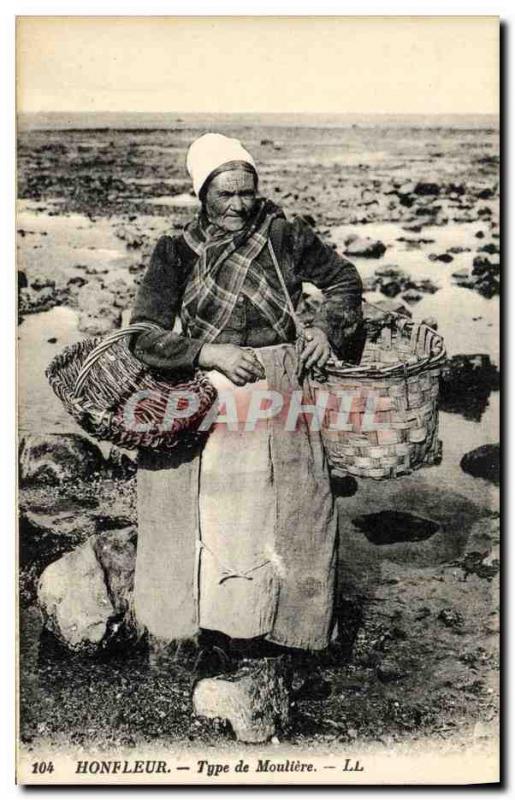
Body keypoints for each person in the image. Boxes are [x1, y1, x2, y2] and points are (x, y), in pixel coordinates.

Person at [129, 132, 363, 676]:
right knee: (220, 514)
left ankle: (287, 634)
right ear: (201, 193)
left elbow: (343, 280)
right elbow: (143, 333)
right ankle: (215, 634)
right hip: (214, 393)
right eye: (224, 194)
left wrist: (326, 329)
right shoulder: (175, 250)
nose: (238, 205)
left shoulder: (284, 234)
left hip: (281, 387)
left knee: (289, 508)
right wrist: (208, 352)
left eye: (247, 192)